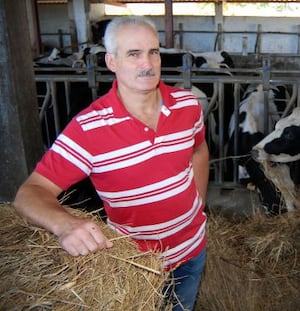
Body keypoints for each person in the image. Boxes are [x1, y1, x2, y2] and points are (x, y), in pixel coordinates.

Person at [14, 16, 209, 311]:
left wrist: (198, 203)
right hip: (136, 266)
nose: (147, 63)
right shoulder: (88, 128)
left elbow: (199, 150)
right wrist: (64, 225)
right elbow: (30, 192)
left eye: (153, 52)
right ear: (111, 61)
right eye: (133, 54)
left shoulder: (187, 104)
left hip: (192, 250)